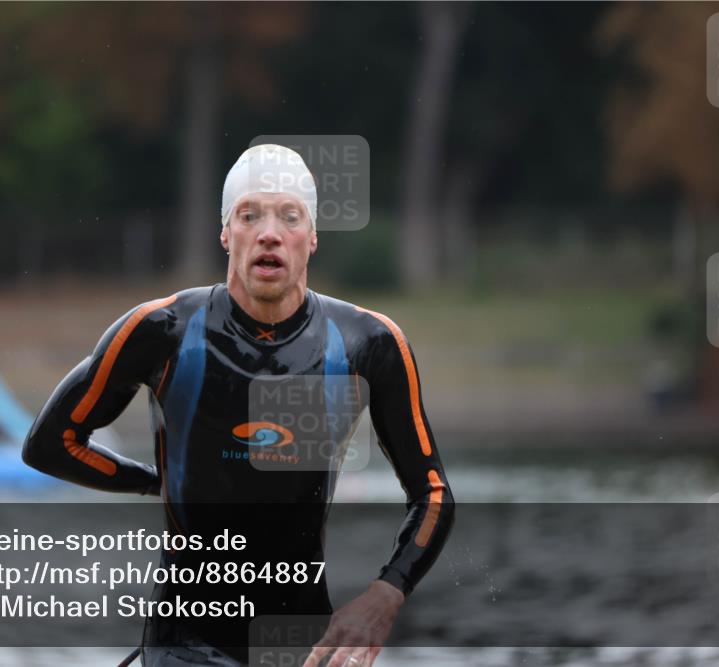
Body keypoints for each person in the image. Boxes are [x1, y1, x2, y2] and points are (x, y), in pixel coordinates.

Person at [22, 144, 455, 666]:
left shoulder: (370, 343)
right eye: (250, 215)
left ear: (312, 237)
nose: (269, 232)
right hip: (184, 646)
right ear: (226, 232)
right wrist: (151, 480)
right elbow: (51, 444)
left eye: (289, 217)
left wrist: (385, 596)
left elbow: (432, 493)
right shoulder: (161, 331)